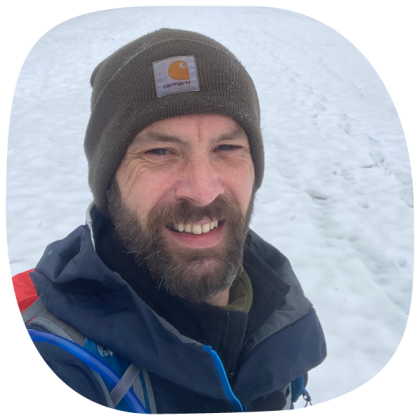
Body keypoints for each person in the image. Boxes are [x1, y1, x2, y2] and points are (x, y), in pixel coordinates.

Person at [18, 28, 327, 413]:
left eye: (227, 148)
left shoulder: (279, 314)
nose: (202, 190)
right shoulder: (60, 354)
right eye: (160, 151)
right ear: (109, 183)